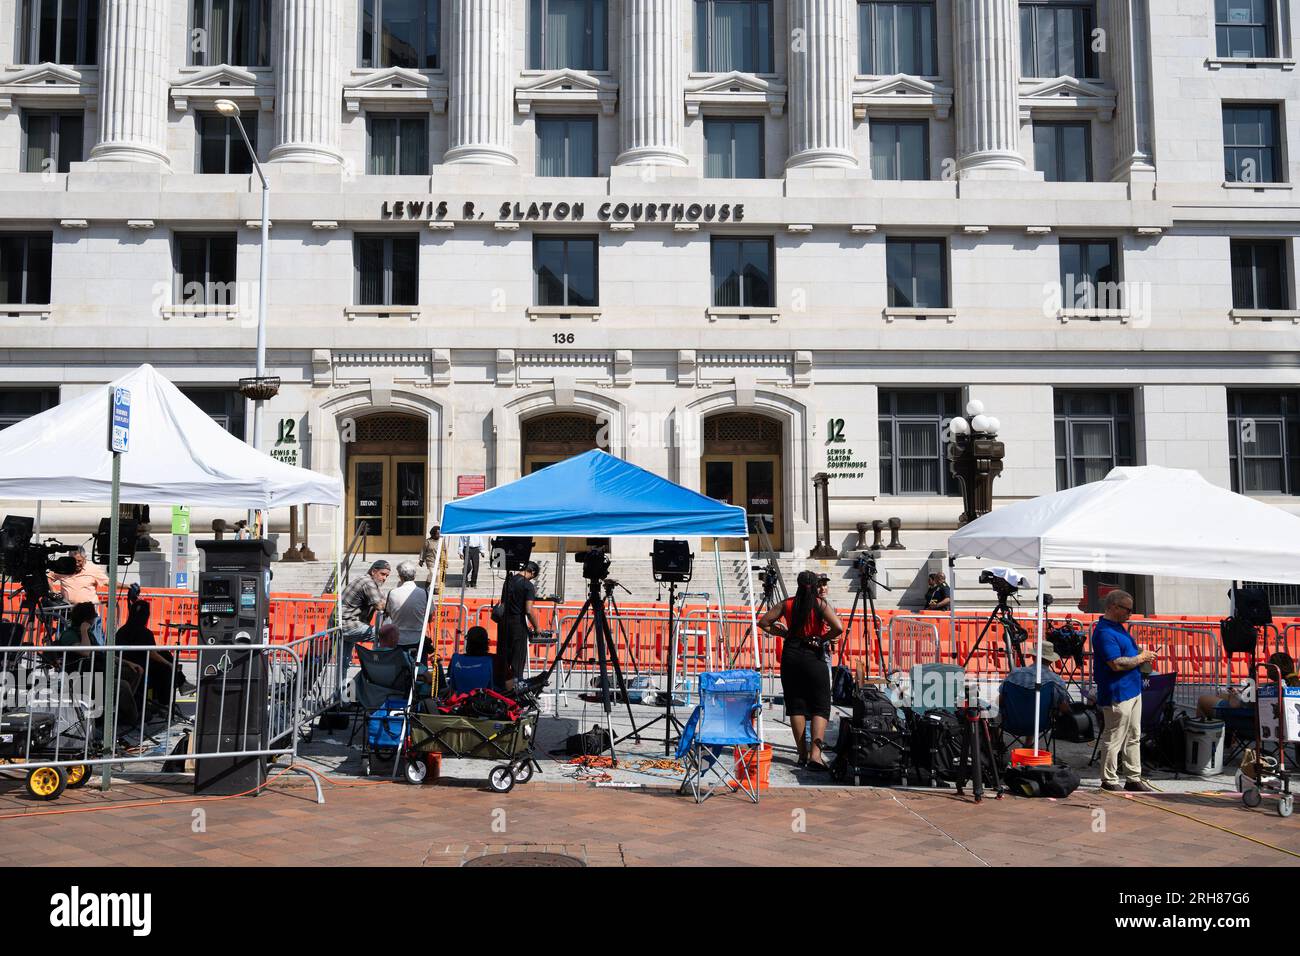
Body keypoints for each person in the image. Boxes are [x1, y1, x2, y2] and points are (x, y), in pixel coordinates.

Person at [759, 569, 843, 771]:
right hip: (813, 656)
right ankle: (815, 755)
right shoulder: (819, 604)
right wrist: (821, 638)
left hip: (791, 655)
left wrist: (782, 633)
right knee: (820, 706)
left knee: (796, 705)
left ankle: (801, 754)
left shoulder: (787, 603)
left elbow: (763, 622)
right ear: (814, 586)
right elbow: (838, 627)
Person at [1093, 589, 1158, 792]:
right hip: (1118, 692)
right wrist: (1141, 658)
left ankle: (1133, 777)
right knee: (1114, 737)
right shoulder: (1104, 632)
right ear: (1113, 607)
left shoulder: (1118, 628)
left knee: (1133, 735)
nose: (1130, 613)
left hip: (1132, 689)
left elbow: (1126, 655)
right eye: (1127, 609)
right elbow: (1115, 663)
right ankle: (1109, 779)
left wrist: (1139, 654)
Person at [116, 597, 192, 719]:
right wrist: (169, 664)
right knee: (166, 668)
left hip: (127, 663)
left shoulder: (121, 631)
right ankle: (167, 700)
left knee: (165, 655)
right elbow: (151, 653)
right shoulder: (145, 633)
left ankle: (181, 683)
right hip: (139, 665)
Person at [1197, 652, 1300, 718]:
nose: (1265, 668)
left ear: (1274, 669)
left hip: (1247, 720)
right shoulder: (1293, 686)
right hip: (1279, 723)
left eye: (1267, 666)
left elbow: (1240, 704)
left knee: (1202, 700)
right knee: (1222, 696)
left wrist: (1236, 695)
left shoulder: (1270, 690)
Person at [495, 561, 540, 691]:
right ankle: (514, 696)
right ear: (532, 572)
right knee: (517, 664)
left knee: (503, 662)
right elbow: (528, 610)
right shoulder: (528, 586)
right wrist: (537, 627)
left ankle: (500, 692)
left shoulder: (508, 581)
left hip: (503, 624)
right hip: (517, 626)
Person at [47, 547, 110, 639]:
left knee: (96, 644)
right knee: (65, 644)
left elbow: (108, 582)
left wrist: (127, 586)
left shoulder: (93, 568)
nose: (77, 564)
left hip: (90, 616)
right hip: (68, 615)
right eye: (74, 561)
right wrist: (53, 591)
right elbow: (49, 577)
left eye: (79, 561)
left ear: (85, 558)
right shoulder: (64, 566)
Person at [999, 641, 1072, 716]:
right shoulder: (1056, 680)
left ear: (1033, 657)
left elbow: (1000, 700)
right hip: (1042, 725)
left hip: (1012, 724)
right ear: (1051, 661)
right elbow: (1064, 708)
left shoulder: (1014, 674)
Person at [340, 560, 390, 648]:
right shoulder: (368, 582)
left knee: (344, 660)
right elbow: (380, 606)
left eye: (387, 576)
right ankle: (378, 660)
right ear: (373, 571)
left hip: (344, 624)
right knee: (386, 635)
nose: (385, 578)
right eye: (382, 574)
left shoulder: (369, 582)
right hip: (348, 625)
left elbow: (384, 598)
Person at [385, 561, 428, 650]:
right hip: (418, 638)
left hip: (398, 639)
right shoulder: (424, 593)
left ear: (400, 577)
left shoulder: (392, 593)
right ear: (414, 576)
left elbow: (389, 613)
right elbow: (430, 616)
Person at [449, 626, 494, 693]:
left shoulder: (456, 658)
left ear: (468, 642)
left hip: (460, 700)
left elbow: (452, 685)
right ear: (486, 643)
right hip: (482, 700)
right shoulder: (490, 661)